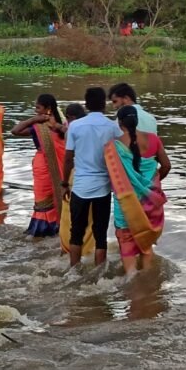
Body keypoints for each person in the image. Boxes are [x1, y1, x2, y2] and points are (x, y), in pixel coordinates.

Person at [106, 106, 171, 276]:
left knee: (128, 250)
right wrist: (152, 185)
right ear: (136, 120)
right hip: (150, 204)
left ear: (120, 124)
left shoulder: (113, 147)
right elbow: (166, 166)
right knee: (146, 247)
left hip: (127, 205)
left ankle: (132, 282)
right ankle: (148, 284)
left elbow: (113, 176)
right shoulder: (154, 140)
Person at [62, 87, 122, 267]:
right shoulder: (112, 127)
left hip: (80, 186)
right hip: (103, 187)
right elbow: (121, 154)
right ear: (104, 104)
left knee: (76, 231)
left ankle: (74, 269)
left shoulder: (75, 126)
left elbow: (68, 158)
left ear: (86, 104)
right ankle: (100, 272)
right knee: (100, 233)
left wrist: (64, 183)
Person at [11, 94, 67, 237]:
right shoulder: (38, 126)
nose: (36, 110)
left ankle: (56, 227)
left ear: (48, 108)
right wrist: (34, 119)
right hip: (42, 167)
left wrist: (57, 126)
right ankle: (46, 229)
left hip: (57, 167)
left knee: (59, 196)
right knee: (42, 199)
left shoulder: (61, 126)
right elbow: (15, 131)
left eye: (38, 107)